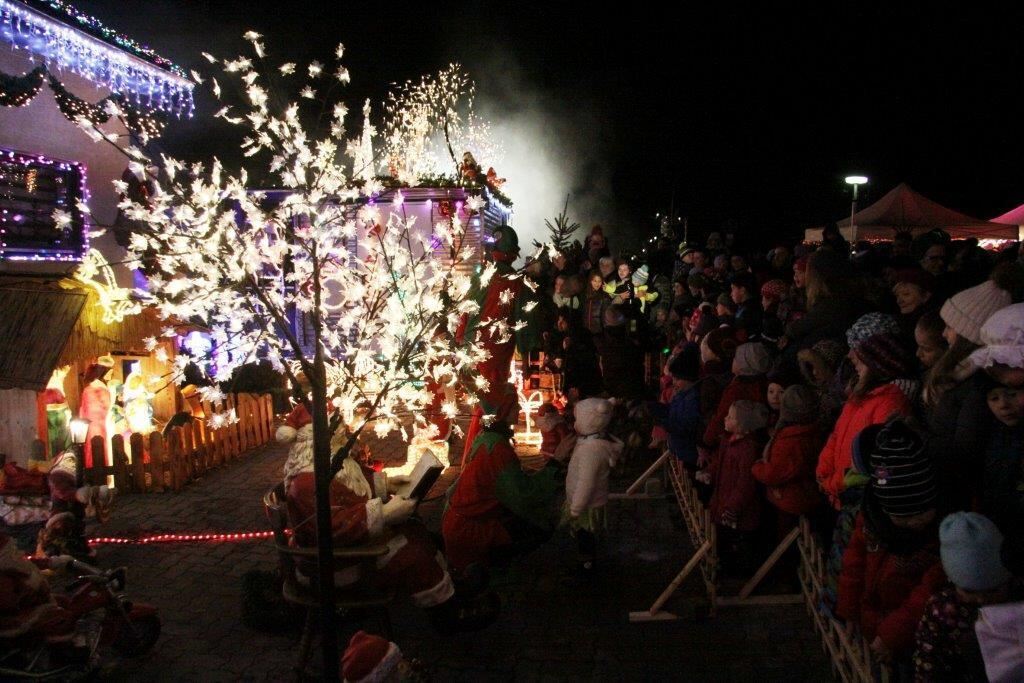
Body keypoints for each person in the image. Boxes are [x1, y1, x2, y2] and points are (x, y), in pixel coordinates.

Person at [279, 404, 496, 634]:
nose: (344, 433)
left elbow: (355, 483)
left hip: (346, 551)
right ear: (312, 439)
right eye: (336, 430)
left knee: (414, 528)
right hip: (333, 565)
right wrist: (383, 513)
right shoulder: (306, 482)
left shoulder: (330, 464)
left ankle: (450, 588)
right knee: (411, 553)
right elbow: (334, 527)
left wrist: (387, 483)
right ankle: (447, 616)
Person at [836, 418, 946, 673]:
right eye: (902, 517)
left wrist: (892, 634)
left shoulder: (940, 541)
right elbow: (854, 564)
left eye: (920, 513)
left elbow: (928, 592)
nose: (913, 522)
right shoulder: (873, 520)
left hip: (912, 637)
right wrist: (849, 609)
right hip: (872, 626)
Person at [442, 384, 563, 576]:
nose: (519, 409)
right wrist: (555, 464)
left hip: (457, 522)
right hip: (470, 530)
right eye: (514, 406)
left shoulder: (487, 437)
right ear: (502, 411)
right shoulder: (497, 448)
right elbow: (524, 495)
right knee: (541, 526)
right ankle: (498, 568)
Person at [913, 512, 1018, 682]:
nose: (982, 599)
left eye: (992, 590)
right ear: (953, 581)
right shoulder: (942, 610)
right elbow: (929, 659)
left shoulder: (1016, 599)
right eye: (969, 591)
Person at [701, 400, 770, 574]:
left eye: (730, 417)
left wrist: (733, 508)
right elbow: (719, 461)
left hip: (738, 509)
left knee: (739, 543)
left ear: (742, 426)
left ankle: (740, 575)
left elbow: (745, 484)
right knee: (724, 540)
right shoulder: (728, 441)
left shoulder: (747, 449)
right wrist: (709, 472)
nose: (725, 419)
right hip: (723, 498)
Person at [563, 398, 623, 572]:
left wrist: (576, 508)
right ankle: (588, 562)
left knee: (585, 537)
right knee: (587, 536)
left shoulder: (591, 450)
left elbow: (586, 482)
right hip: (589, 502)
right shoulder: (592, 443)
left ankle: (586, 567)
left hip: (585, 505)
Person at [702, 341, 770, 451]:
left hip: (733, 440)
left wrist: (707, 440)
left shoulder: (737, 390)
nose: (732, 361)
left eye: (736, 359)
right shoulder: (762, 383)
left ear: (744, 366)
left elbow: (721, 416)